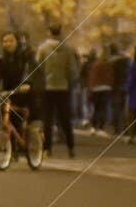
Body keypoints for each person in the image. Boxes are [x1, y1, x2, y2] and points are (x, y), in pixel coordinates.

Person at [36, 24, 79, 157]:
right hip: (63, 88)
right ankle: (71, 147)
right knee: (65, 119)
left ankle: (47, 149)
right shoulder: (68, 49)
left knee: (47, 120)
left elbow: (38, 67)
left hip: (47, 88)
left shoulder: (43, 49)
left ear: (49, 32)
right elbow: (73, 70)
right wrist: (69, 82)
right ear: (60, 32)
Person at [87, 46, 114, 132]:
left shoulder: (96, 65)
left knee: (96, 108)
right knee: (103, 108)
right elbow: (111, 77)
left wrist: (90, 87)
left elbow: (92, 77)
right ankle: (101, 126)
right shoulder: (109, 65)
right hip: (106, 88)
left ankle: (94, 126)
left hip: (96, 88)